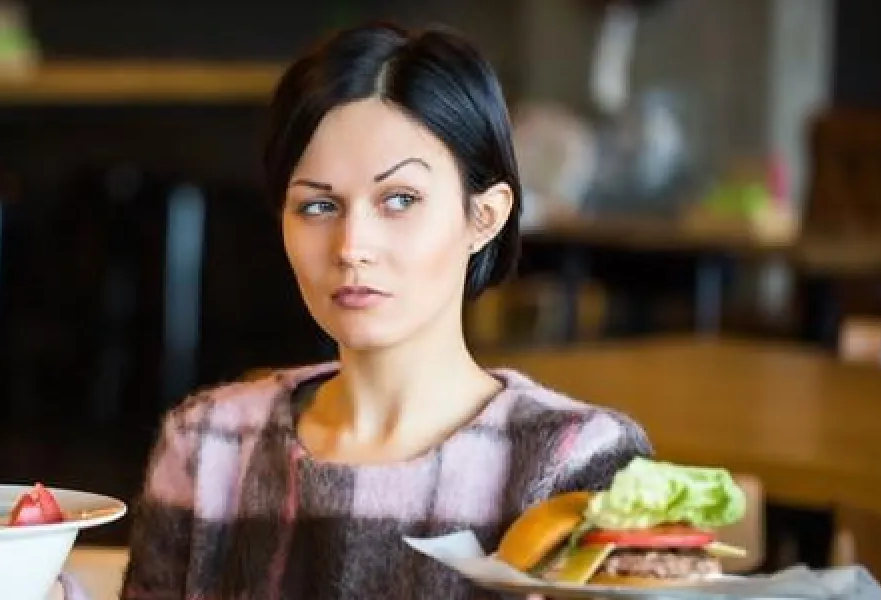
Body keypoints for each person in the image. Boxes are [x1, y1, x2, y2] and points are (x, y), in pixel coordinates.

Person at [121, 22, 652, 599]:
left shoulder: (580, 462)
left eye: (400, 200)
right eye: (318, 205)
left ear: (485, 217)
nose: (352, 246)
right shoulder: (208, 443)